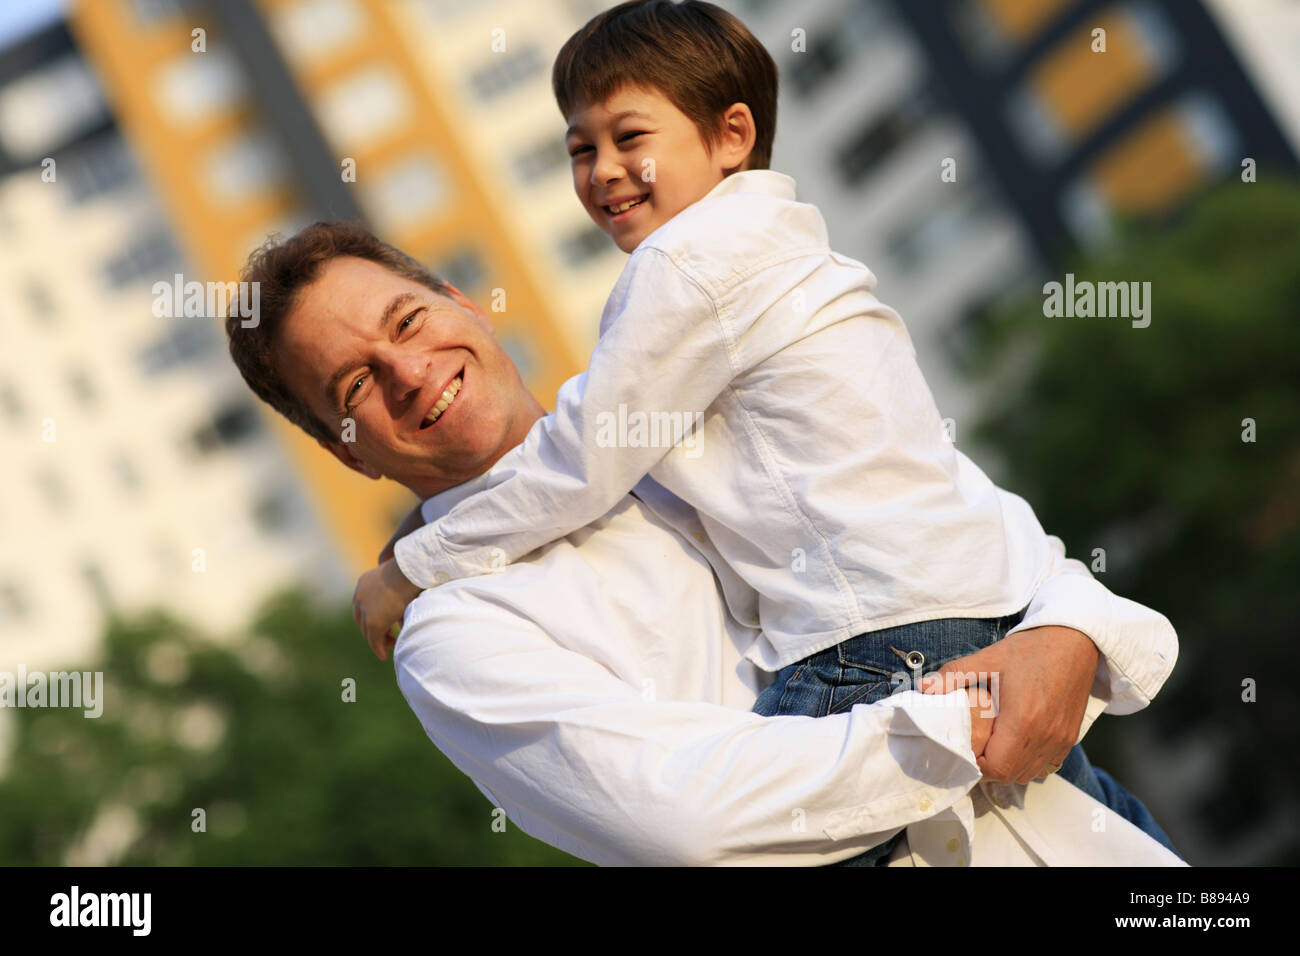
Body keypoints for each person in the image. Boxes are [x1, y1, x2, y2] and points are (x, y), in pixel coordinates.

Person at [347, 0, 1177, 859]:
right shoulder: (781, 248)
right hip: (982, 609)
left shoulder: (684, 264)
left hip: (871, 636)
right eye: (580, 149)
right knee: (1095, 820)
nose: (603, 170)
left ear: (731, 134)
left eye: (630, 137)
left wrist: (415, 567)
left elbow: (583, 458)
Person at [224, 223, 1181, 865]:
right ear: (345, 455)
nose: (406, 371)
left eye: (408, 320)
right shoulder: (451, 637)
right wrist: (974, 712)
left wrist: (1069, 639)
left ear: (467, 304)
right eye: (352, 388)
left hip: (1096, 837)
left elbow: (971, 540)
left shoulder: (690, 401)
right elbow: (685, 816)